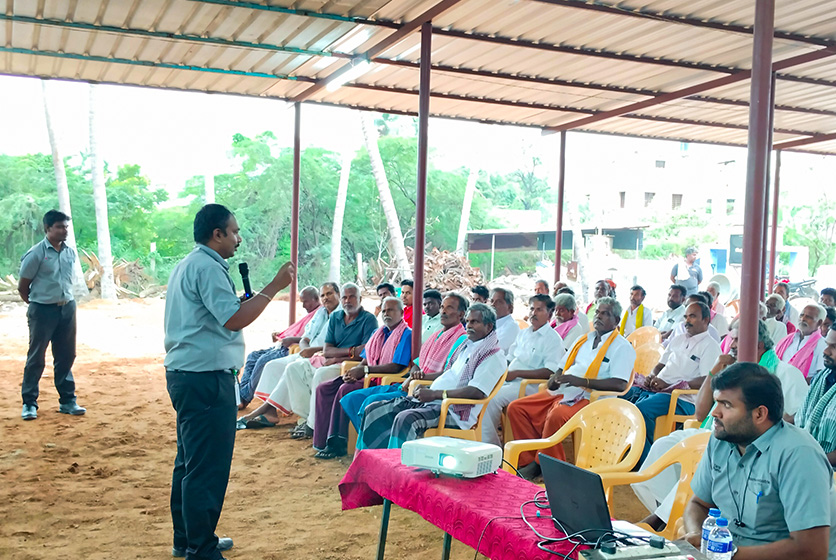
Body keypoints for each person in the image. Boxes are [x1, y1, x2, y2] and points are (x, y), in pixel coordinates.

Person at [163, 204, 294, 559]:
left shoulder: (189, 264)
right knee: (207, 465)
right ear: (216, 233)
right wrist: (274, 287)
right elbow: (234, 320)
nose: (239, 238)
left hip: (188, 374)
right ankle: (200, 548)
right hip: (205, 379)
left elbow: (220, 314)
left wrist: (249, 301)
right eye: (234, 232)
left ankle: (188, 538)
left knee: (190, 461)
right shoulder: (207, 267)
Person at [631, 321, 808, 530]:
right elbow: (701, 413)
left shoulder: (785, 373)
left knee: (696, 458)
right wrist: (714, 371)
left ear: (758, 344)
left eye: (737, 339)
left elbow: (796, 418)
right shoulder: (733, 371)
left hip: (747, 440)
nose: (730, 343)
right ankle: (671, 516)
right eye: (731, 338)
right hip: (714, 430)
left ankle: (660, 521)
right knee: (661, 447)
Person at [682, 363, 836, 559]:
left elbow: (811, 550)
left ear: (759, 414)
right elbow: (698, 504)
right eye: (716, 402)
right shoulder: (721, 440)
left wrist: (729, 555)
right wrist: (697, 536)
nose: (715, 412)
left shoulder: (798, 454)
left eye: (726, 405)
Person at [507, 297, 634, 480]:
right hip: (565, 391)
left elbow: (620, 384)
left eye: (605, 314)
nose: (598, 317)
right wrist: (554, 379)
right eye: (597, 312)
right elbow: (561, 367)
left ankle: (546, 466)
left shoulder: (621, 347)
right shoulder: (584, 340)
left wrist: (583, 382)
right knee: (517, 408)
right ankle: (529, 461)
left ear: (616, 320)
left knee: (557, 416)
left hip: (593, 400)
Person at [357, 303, 507, 450]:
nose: (469, 326)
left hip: (453, 411)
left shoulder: (492, 355)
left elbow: (476, 391)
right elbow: (449, 374)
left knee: (406, 419)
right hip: (434, 401)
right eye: (467, 321)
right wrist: (426, 380)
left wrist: (435, 393)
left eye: (475, 322)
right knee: (374, 410)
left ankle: (398, 469)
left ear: (489, 326)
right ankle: (370, 462)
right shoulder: (468, 346)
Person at [340, 294, 469, 432]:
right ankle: (370, 444)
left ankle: (376, 447)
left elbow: (448, 374)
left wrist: (417, 379)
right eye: (443, 307)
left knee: (371, 403)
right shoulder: (436, 335)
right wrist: (411, 377)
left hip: (425, 392)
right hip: (406, 384)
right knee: (352, 399)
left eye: (449, 308)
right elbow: (417, 365)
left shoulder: (461, 340)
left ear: (461, 314)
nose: (443, 311)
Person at [311, 297, 412, 459]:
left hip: (385, 379)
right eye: (384, 310)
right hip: (368, 374)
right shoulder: (378, 333)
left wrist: (364, 370)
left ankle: (338, 443)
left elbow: (396, 367)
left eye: (391, 310)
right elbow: (366, 359)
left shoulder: (406, 335)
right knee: (324, 388)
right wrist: (355, 371)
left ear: (401, 313)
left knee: (345, 389)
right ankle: (322, 440)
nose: (386, 314)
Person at [277, 283, 378, 439]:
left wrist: (340, 356)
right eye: (344, 297)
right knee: (293, 369)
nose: (347, 301)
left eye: (352, 297)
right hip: (329, 360)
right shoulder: (336, 317)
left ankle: (311, 426)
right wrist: (350, 350)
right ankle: (311, 418)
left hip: (348, 366)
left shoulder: (368, 319)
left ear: (360, 299)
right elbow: (327, 350)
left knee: (320, 375)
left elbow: (365, 353)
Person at [623, 302, 720, 462]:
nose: (687, 320)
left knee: (641, 410)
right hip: (660, 390)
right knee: (624, 399)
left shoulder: (710, 346)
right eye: (686, 316)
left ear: (706, 320)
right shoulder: (678, 339)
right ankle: (626, 451)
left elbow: (707, 379)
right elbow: (660, 365)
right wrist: (653, 376)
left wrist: (673, 385)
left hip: (682, 397)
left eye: (693, 316)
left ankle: (646, 461)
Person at [237, 282, 340, 429]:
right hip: (307, 354)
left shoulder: (342, 315)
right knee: (272, 365)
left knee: (290, 368)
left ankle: (264, 410)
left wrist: (311, 351)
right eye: (323, 295)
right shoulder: (320, 313)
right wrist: (305, 349)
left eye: (329, 294)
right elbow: (305, 338)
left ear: (338, 294)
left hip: (323, 356)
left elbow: (337, 345)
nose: (326, 298)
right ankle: (270, 412)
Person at [18, 210, 86, 421]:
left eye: (66, 226)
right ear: (47, 229)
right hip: (42, 310)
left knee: (66, 355)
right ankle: (29, 403)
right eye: (59, 226)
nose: (64, 230)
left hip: (67, 308)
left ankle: (68, 401)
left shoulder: (70, 252)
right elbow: (23, 285)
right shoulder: (36, 253)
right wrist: (36, 303)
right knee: (36, 357)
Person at [482, 294, 565, 446]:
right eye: (532, 308)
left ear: (550, 314)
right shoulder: (524, 333)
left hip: (530, 386)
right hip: (510, 380)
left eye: (539, 310)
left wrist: (518, 373)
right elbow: (510, 357)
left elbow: (550, 371)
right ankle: (483, 440)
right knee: (481, 390)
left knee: (492, 399)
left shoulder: (553, 339)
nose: (534, 313)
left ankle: (491, 446)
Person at [237, 285, 320, 407]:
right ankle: (241, 394)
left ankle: (243, 398)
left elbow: (311, 338)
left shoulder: (320, 313)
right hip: (283, 344)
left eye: (305, 302)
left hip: (290, 348)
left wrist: (291, 339)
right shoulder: (314, 313)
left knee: (262, 361)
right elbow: (300, 331)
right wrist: (282, 334)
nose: (303, 306)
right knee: (252, 356)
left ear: (316, 298)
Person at [795, 325, 836, 466]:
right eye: (827, 344)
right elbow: (802, 415)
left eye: (834, 347)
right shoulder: (823, 377)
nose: (825, 351)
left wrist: (806, 460)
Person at [775, 303, 826, 379]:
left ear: (819, 322)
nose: (803, 319)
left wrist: (796, 382)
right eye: (801, 315)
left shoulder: (822, 345)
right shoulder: (787, 340)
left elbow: (820, 377)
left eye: (808, 317)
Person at [490, 287, 521, 356]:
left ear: (510, 307)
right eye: (492, 301)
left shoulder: (512, 326)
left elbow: (492, 349)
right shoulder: (490, 324)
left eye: (499, 302)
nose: (493, 305)